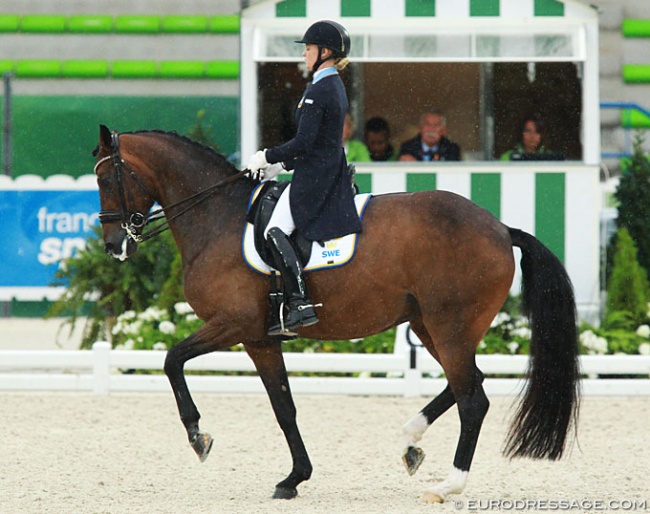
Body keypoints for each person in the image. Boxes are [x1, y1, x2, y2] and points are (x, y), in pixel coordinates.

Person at [246, 20, 362, 336]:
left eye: (309, 49)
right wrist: (281, 168)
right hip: (321, 168)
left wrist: (266, 155)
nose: (305, 55)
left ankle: (299, 302)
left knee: (274, 230)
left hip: (317, 177)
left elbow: (304, 142)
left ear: (325, 52)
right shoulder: (331, 85)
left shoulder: (321, 89)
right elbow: (319, 142)